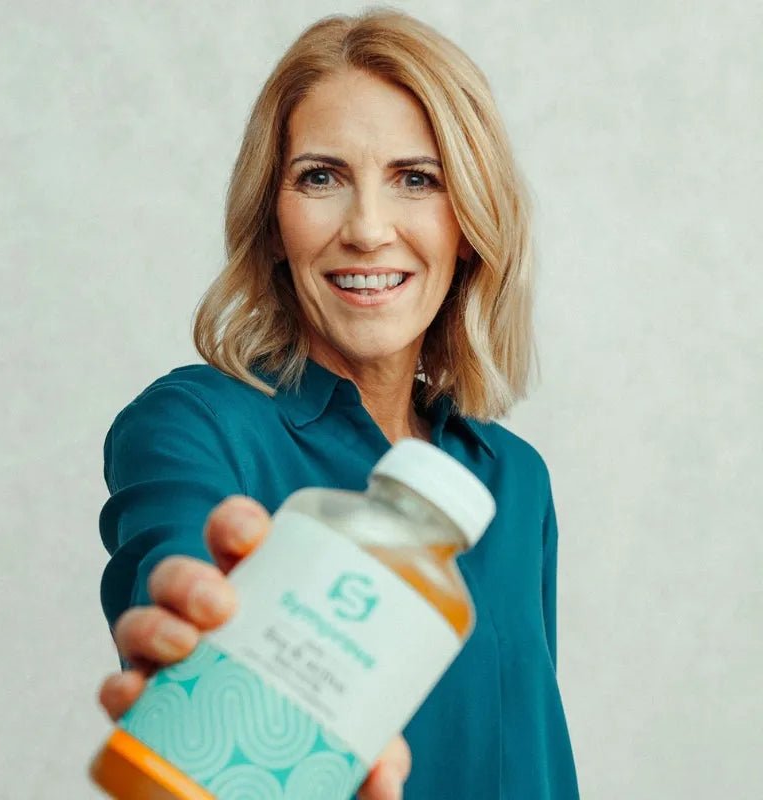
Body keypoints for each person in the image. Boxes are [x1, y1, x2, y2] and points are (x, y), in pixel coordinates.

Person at [96, 8, 580, 799]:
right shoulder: (196, 424)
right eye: (321, 177)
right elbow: (177, 569)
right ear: (273, 222)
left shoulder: (513, 480)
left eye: (416, 179)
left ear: (469, 223)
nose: (367, 229)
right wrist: (187, 628)